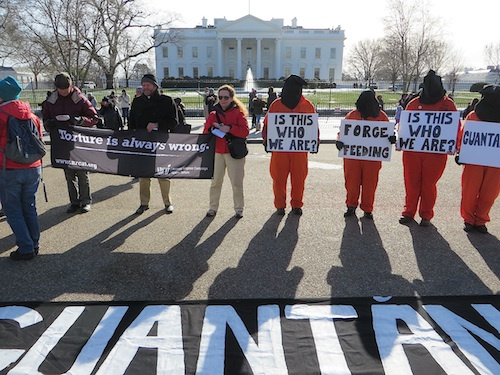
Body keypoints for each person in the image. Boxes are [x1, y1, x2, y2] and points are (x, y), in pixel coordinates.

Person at [399, 70, 458, 227]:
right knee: (411, 183)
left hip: (435, 153)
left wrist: (455, 145)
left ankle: (426, 214)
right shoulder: (413, 104)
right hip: (413, 152)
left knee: (428, 185)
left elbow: (455, 128)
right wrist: (401, 140)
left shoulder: (448, 105)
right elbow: (405, 125)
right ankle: (409, 212)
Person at [0, 76, 43, 260]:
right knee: (30, 206)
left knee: (13, 210)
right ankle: (34, 243)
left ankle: (25, 248)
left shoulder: (1, 115)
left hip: (8, 167)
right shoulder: (32, 115)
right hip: (34, 167)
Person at [42, 72, 98, 214]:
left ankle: (85, 201)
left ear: (71, 85)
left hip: (79, 141)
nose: (63, 92)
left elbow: (94, 117)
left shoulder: (80, 99)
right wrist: (49, 124)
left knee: (82, 173)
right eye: (60, 90)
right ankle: (74, 202)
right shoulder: (51, 100)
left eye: (66, 89)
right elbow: (46, 119)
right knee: (69, 174)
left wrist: (80, 120)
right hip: (62, 142)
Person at [262, 74, 317, 216]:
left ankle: (295, 204)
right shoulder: (277, 105)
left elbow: (312, 127)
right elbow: (267, 126)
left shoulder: (307, 105)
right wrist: (266, 140)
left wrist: (314, 141)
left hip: (298, 149)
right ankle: (281, 204)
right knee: (279, 178)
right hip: (281, 149)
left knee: (298, 178)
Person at [336, 90, 395, 219]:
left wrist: (391, 138)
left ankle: (367, 208)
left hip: (371, 158)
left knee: (370, 184)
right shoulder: (352, 115)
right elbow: (343, 131)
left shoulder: (381, 116)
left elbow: (388, 132)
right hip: (353, 157)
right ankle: (351, 206)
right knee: (352, 183)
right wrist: (339, 140)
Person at [129, 73, 178, 215]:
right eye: (143, 85)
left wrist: (157, 125)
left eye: (148, 85)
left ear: (155, 86)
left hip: (161, 142)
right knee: (144, 176)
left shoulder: (167, 101)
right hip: (142, 143)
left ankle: (167, 202)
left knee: (163, 175)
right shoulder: (137, 102)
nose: (145, 88)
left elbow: (174, 122)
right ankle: (144, 203)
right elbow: (132, 123)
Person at [203, 84, 249, 219]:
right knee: (215, 182)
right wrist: (212, 129)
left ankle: (239, 208)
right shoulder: (213, 114)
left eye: (226, 97)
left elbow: (245, 132)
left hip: (234, 152)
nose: (223, 100)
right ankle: (212, 207)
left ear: (231, 98)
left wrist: (229, 128)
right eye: (220, 97)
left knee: (236, 183)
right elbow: (205, 132)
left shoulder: (238, 113)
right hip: (217, 151)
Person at [459, 85, 500, 233]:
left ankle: (481, 219)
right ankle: (469, 219)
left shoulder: (473, 116)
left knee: (490, 192)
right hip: (474, 160)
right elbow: (464, 137)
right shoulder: (473, 116)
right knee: (470, 190)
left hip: (495, 162)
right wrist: (461, 152)